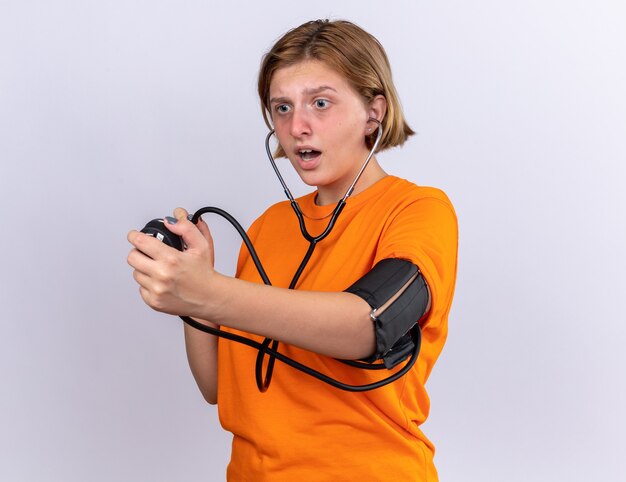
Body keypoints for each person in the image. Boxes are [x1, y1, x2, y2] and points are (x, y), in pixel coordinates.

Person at [127, 19, 458, 481]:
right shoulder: (267, 227)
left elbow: (370, 324)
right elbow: (220, 387)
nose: (297, 126)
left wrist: (208, 291)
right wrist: (192, 293)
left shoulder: (418, 210)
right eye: (282, 107)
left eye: (320, 103)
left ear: (374, 112)